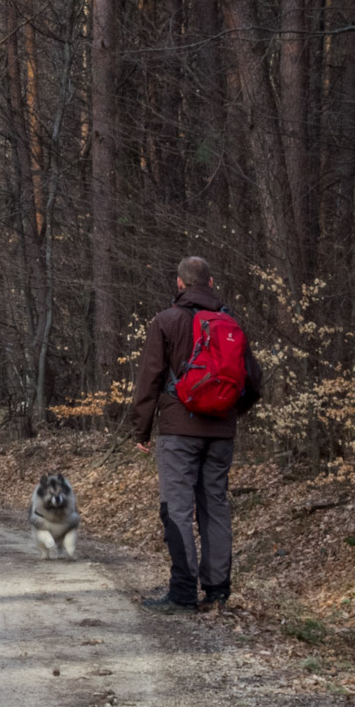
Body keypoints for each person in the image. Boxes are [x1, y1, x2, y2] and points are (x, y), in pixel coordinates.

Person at [129, 256, 262, 614]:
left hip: (178, 432)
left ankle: (183, 592)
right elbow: (253, 382)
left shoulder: (166, 321)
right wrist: (228, 414)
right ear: (212, 282)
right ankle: (217, 591)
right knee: (215, 506)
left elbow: (149, 380)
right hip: (221, 433)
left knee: (177, 507)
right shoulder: (231, 324)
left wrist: (141, 429)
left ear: (179, 284)